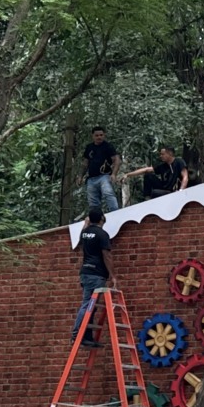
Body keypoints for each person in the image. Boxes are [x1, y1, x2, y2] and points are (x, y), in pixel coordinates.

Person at [73, 206, 114, 347]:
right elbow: (107, 256)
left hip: (85, 273)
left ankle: (87, 336)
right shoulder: (102, 234)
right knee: (88, 305)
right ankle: (77, 333)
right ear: (102, 218)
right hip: (96, 275)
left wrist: (86, 224)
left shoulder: (85, 233)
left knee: (91, 305)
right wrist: (113, 276)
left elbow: (80, 240)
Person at [123, 146, 189, 200]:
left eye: (163, 154)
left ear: (170, 154)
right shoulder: (163, 166)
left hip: (173, 191)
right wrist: (128, 175)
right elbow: (146, 170)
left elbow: (185, 177)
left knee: (155, 193)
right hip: (164, 188)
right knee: (148, 175)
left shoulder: (179, 162)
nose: (161, 156)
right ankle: (147, 199)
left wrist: (181, 191)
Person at [83, 126, 120, 214]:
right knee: (93, 202)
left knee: (108, 194)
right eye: (97, 135)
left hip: (104, 176)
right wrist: (81, 176)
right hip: (91, 178)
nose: (99, 137)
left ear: (104, 135)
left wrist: (114, 174)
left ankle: (116, 214)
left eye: (101, 135)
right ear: (93, 136)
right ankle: (95, 220)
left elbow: (117, 160)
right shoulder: (89, 147)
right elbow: (85, 163)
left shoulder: (108, 146)